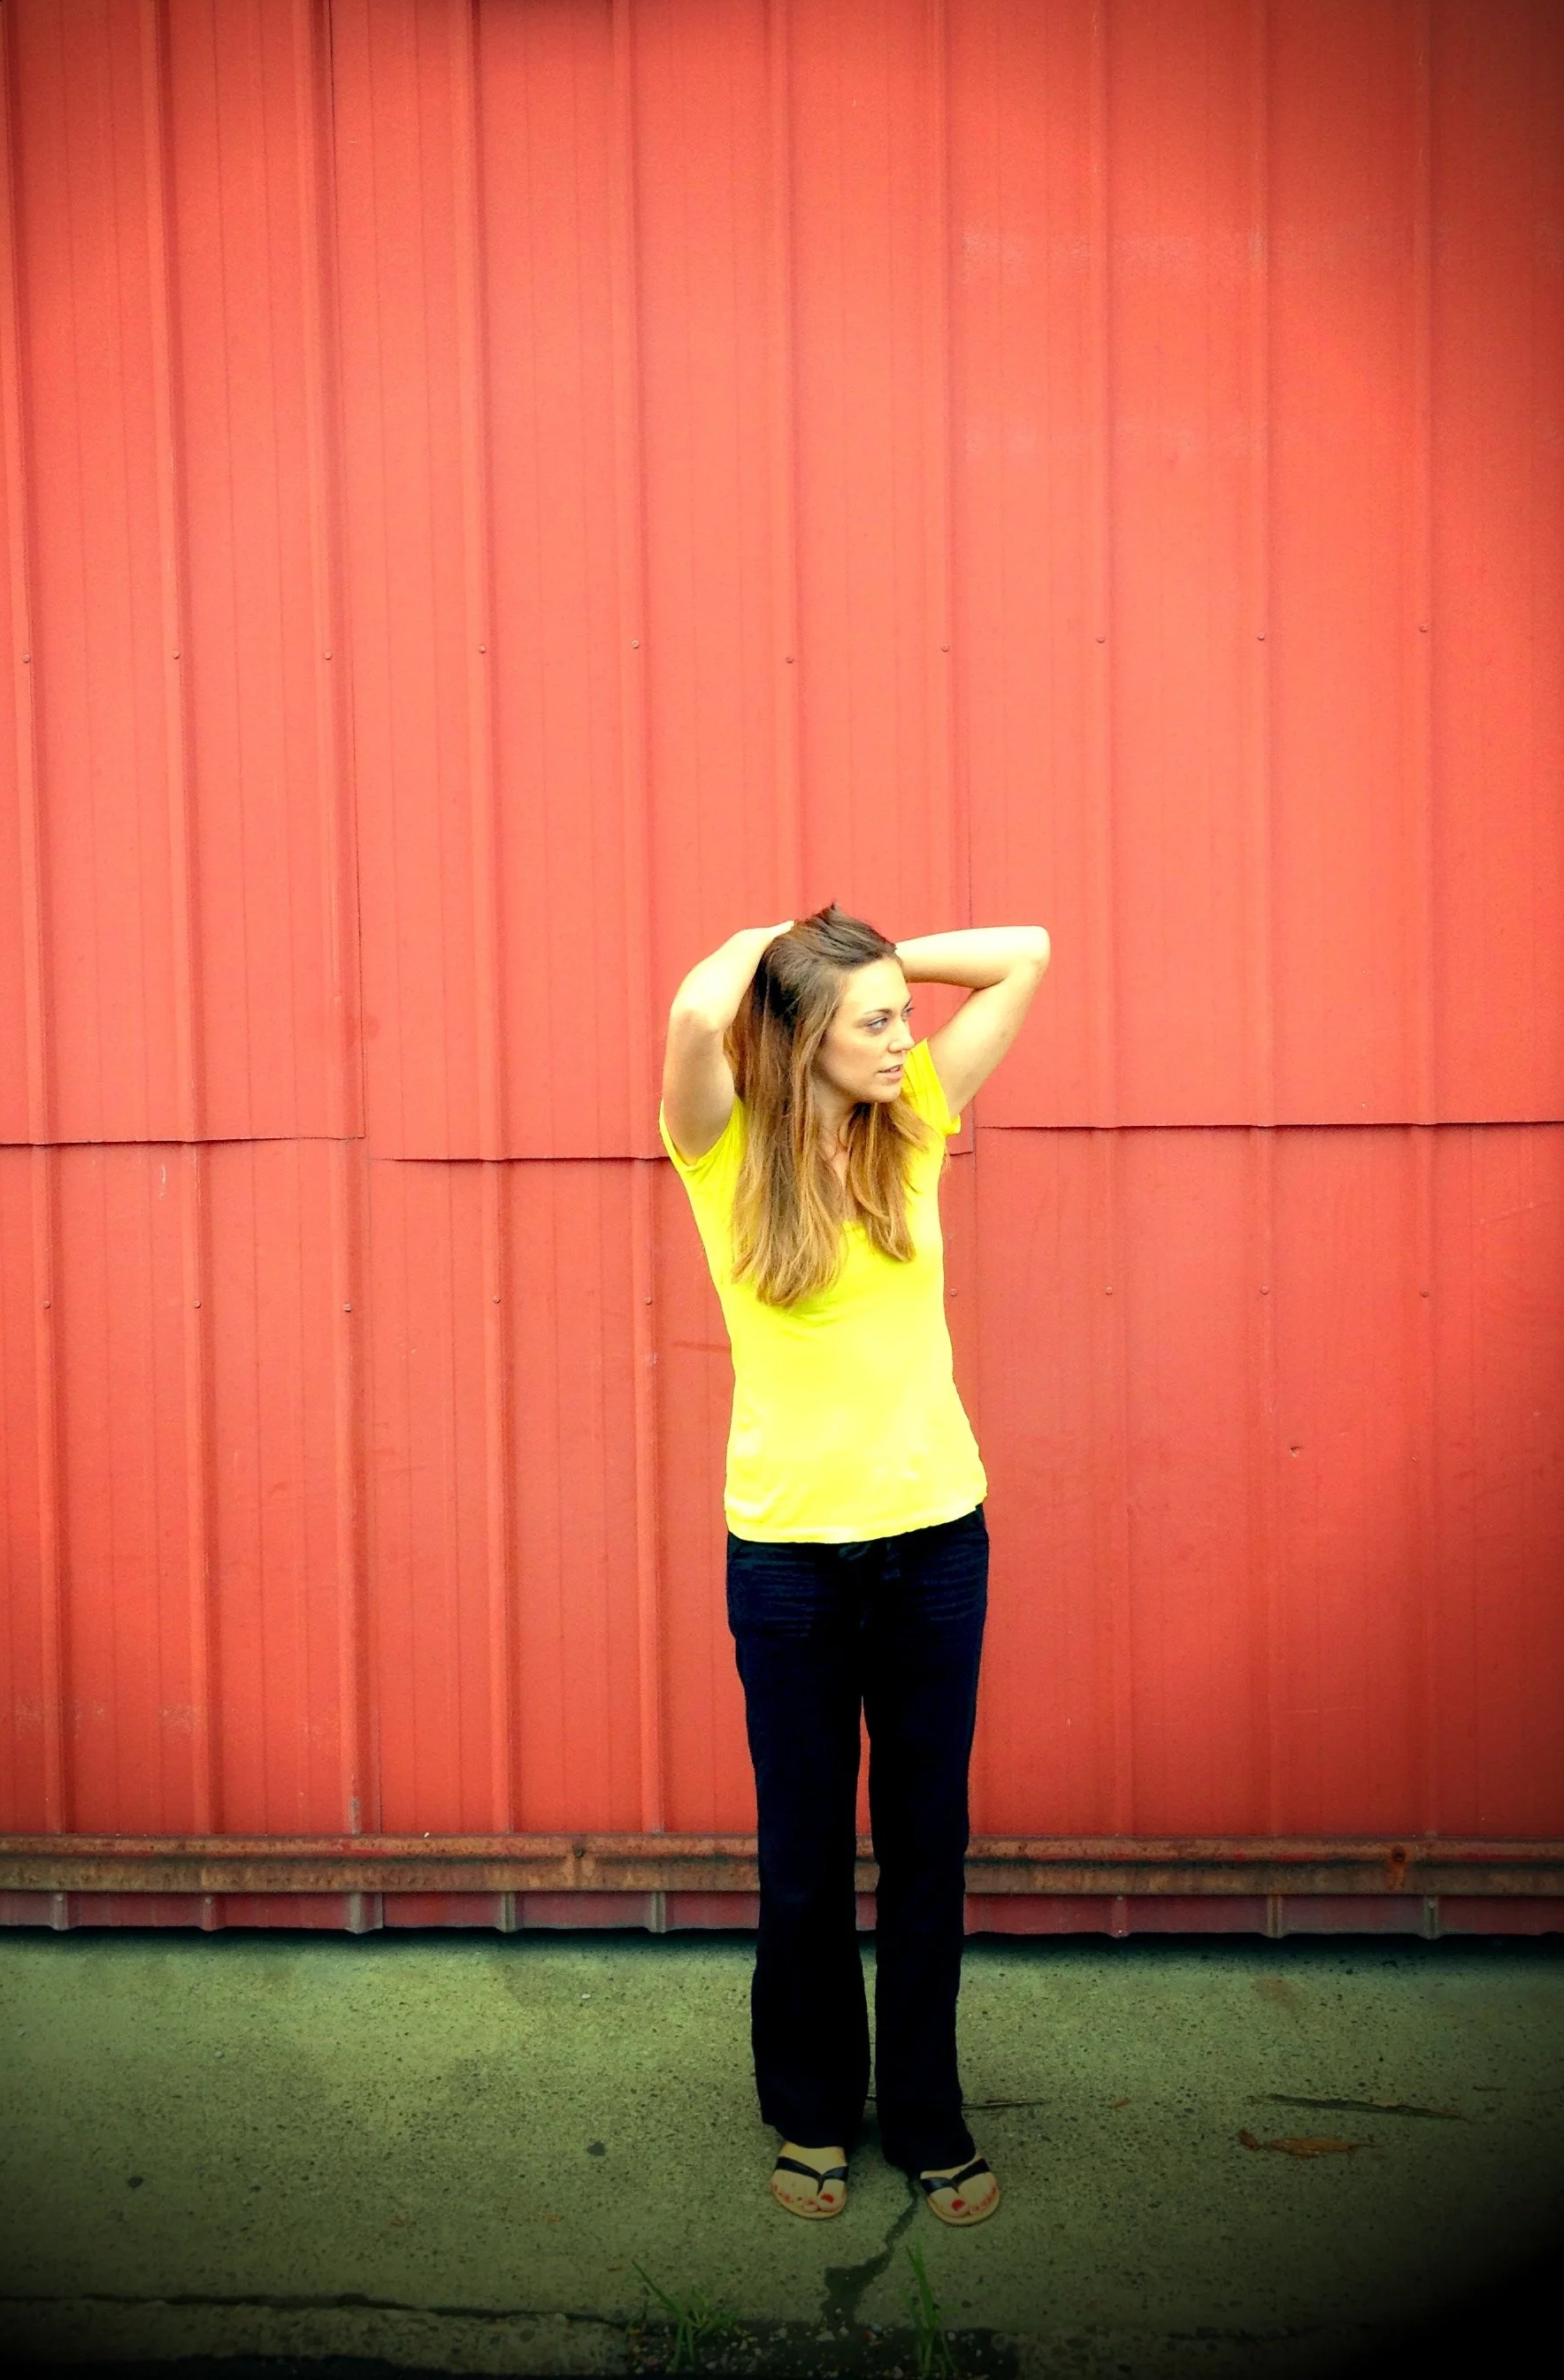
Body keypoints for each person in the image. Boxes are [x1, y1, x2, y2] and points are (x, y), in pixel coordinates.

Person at [658, 904, 1052, 2226]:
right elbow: (694, 1014)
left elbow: (1027, 952)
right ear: (804, 1032)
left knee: (928, 1844)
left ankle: (929, 2115)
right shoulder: (719, 1150)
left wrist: (876, 956)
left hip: (936, 1540)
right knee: (806, 1855)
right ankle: (814, 2112)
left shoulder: (916, 1118)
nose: (903, 1037)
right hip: (787, 1561)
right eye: (875, 1019)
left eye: (904, 1015)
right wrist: (779, 941)